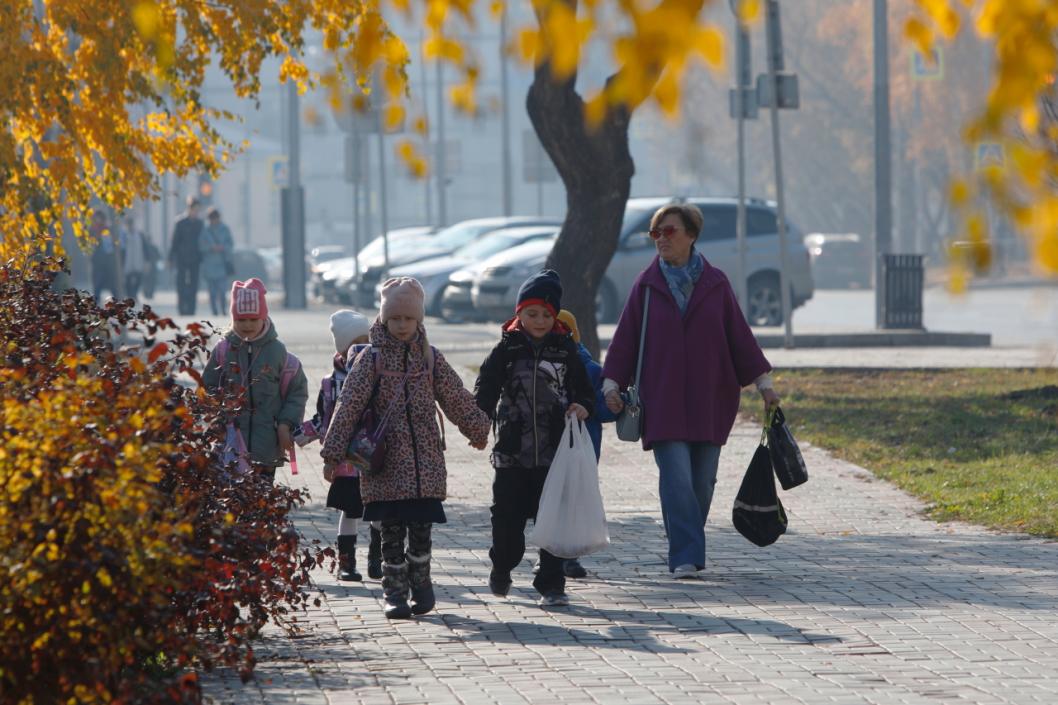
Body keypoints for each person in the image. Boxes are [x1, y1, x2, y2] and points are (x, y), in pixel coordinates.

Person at [601, 203, 781, 580]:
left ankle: (688, 543)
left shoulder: (715, 284)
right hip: (662, 401)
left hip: (710, 400)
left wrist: (764, 385)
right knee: (677, 478)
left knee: (703, 482)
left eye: (670, 232)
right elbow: (625, 340)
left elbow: (739, 338)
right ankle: (685, 553)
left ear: (691, 235)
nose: (662, 240)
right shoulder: (646, 287)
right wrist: (611, 383)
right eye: (656, 233)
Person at [320, 278, 490, 620]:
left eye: (407, 319)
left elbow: (455, 396)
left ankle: (422, 583)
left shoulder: (430, 359)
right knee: (391, 534)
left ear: (419, 320)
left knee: (422, 531)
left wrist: (478, 428)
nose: (401, 325)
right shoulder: (370, 359)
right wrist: (332, 454)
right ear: (383, 319)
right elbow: (348, 406)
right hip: (383, 466)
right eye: (394, 318)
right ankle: (394, 592)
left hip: (424, 465)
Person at [474, 270, 595, 608]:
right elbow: (486, 386)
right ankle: (502, 564)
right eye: (531, 313)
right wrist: (479, 421)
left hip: (555, 452)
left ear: (555, 316)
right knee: (507, 518)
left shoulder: (564, 348)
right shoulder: (507, 347)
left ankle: (552, 583)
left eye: (546, 314)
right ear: (519, 314)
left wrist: (583, 406)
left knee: (553, 518)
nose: (539, 321)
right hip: (512, 452)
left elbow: (585, 390)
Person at [295, 309, 381, 582]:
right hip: (346, 460)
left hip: (376, 457)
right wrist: (299, 435)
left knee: (380, 510)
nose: (363, 348)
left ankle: (378, 558)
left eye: (367, 341)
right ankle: (347, 562)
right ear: (342, 349)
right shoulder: (331, 383)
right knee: (350, 510)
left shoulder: (380, 373)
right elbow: (325, 418)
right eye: (356, 343)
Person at [203, 278, 309, 486]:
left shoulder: (277, 352)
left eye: (253, 319)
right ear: (233, 319)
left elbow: (297, 392)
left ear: (264, 317)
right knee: (232, 499)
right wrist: (217, 416)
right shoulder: (224, 350)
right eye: (241, 320)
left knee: (261, 499)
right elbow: (208, 386)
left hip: (267, 445)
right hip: (230, 444)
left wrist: (286, 424)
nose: (247, 325)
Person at [536, 308, 616, 579]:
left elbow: (607, 409)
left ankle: (571, 556)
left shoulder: (592, 370)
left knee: (574, 501)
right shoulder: (540, 366)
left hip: (583, 449)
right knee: (552, 500)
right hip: (548, 448)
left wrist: (589, 408)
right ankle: (550, 556)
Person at [169, 196, 204, 315]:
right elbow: (174, 241)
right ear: (189, 209)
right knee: (181, 284)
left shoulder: (200, 224)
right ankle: (182, 309)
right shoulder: (180, 222)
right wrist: (170, 258)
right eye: (195, 210)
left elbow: (203, 242)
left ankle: (191, 309)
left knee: (194, 284)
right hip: (182, 258)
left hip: (195, 259)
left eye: (198, 210)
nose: (196, 212)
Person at [200, 207, 235, 316]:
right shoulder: (205, 230)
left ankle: (223, 309)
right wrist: (211, 248)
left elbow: (230, 244)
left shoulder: (225, 229)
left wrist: (222, 247)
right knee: (212, 291)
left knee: (223, 290)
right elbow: (200, 246)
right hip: (209, 265)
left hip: (222, 264)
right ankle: (214, 310)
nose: (214, 221)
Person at [89, 210, 120, 301]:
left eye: (100, 218)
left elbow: (114, 244)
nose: (99, 221)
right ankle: (96, 299)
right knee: (97, 282)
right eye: (97, 218)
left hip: (108, 261)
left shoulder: (108, 229)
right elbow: (90, 245)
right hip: (97, 261)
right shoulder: (92, 230)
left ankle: (116, 300)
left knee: (112, 282)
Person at [121, 215, 148, 301]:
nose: (130, 226)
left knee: (139, 279)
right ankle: (130, 296)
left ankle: (134, 294)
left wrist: (147, 261)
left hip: (138, 261)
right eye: (128, 225)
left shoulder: (140, 235)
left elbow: (145, 248)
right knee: (127, 281)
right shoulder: (123, 236)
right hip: (127, 262)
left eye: (131, 224)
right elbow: (121, 251)